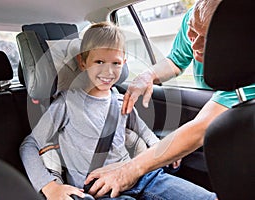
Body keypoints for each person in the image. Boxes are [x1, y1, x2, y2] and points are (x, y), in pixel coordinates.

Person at [20, 21, 216, 200]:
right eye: (99, 62)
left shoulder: (122, 100)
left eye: (116, 63)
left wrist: (164, 149)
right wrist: (50, 187)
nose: (108, 71)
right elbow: (29, 145)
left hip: (141, 176)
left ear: (124, 63)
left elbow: (144, 132)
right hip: (98, 189)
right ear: (83, 62)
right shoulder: (67, 104)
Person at [84, 0, 255, 198]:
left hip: (149, 177)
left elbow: (200, 129)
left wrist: (129, 170)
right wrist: (148, 75)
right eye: (192, 31)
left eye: (207, 39)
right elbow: (176, 60)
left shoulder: (246, 74)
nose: (194, 44)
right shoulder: (195, 17)